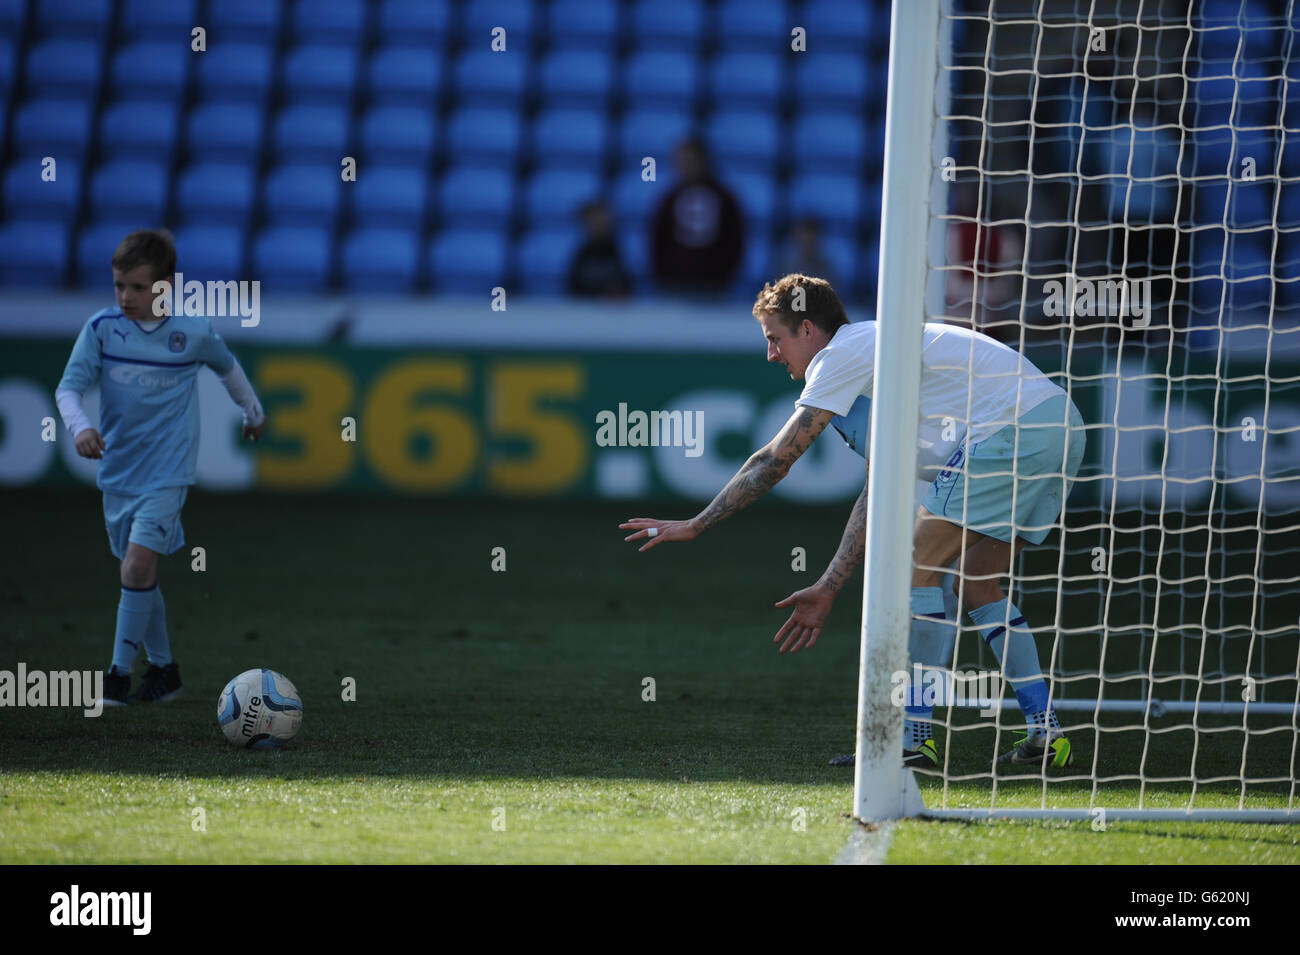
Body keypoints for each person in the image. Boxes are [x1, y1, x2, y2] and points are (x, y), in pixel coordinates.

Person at [618, 273, 1086, 770]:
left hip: (1011, 429)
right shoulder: (878, 360)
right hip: (1060, 425)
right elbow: (878, 490)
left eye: (775, 339)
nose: (772, 355)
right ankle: (1044, 734)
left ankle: (913, 740)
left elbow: (772, 461)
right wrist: (827, 586)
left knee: (915, 570)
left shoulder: (837, 356)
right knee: (977, 586)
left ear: (807, 329)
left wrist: (698, 523)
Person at [55, 229, 267, 706]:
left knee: (138, 564)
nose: (126, 297)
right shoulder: (101, 330)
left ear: (165, 286)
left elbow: (228, 369)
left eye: (137, 287)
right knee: (137, 575)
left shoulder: (191, 332)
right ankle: (166, 672)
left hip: (168, 473)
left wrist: (253, 414)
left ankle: (115, 676)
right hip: (118, 474)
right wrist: (79, 428)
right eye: (118, 286)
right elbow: (68, 388)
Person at [650, 137, 745, 295]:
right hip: (674, 284)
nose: (685, 166)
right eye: (682, 160)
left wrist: (724, 277)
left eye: (690, 160)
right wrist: (663, 277)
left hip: (713, 286)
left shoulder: (724, 198)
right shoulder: (670, 198)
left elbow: (735, 238)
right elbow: (658, 238)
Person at [568, 199, 632, 298]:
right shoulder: (581, 255)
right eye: (593, 221)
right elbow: (574, 290)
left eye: (601, 220)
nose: (598, 225)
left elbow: (628, 287)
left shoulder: (622, 253)